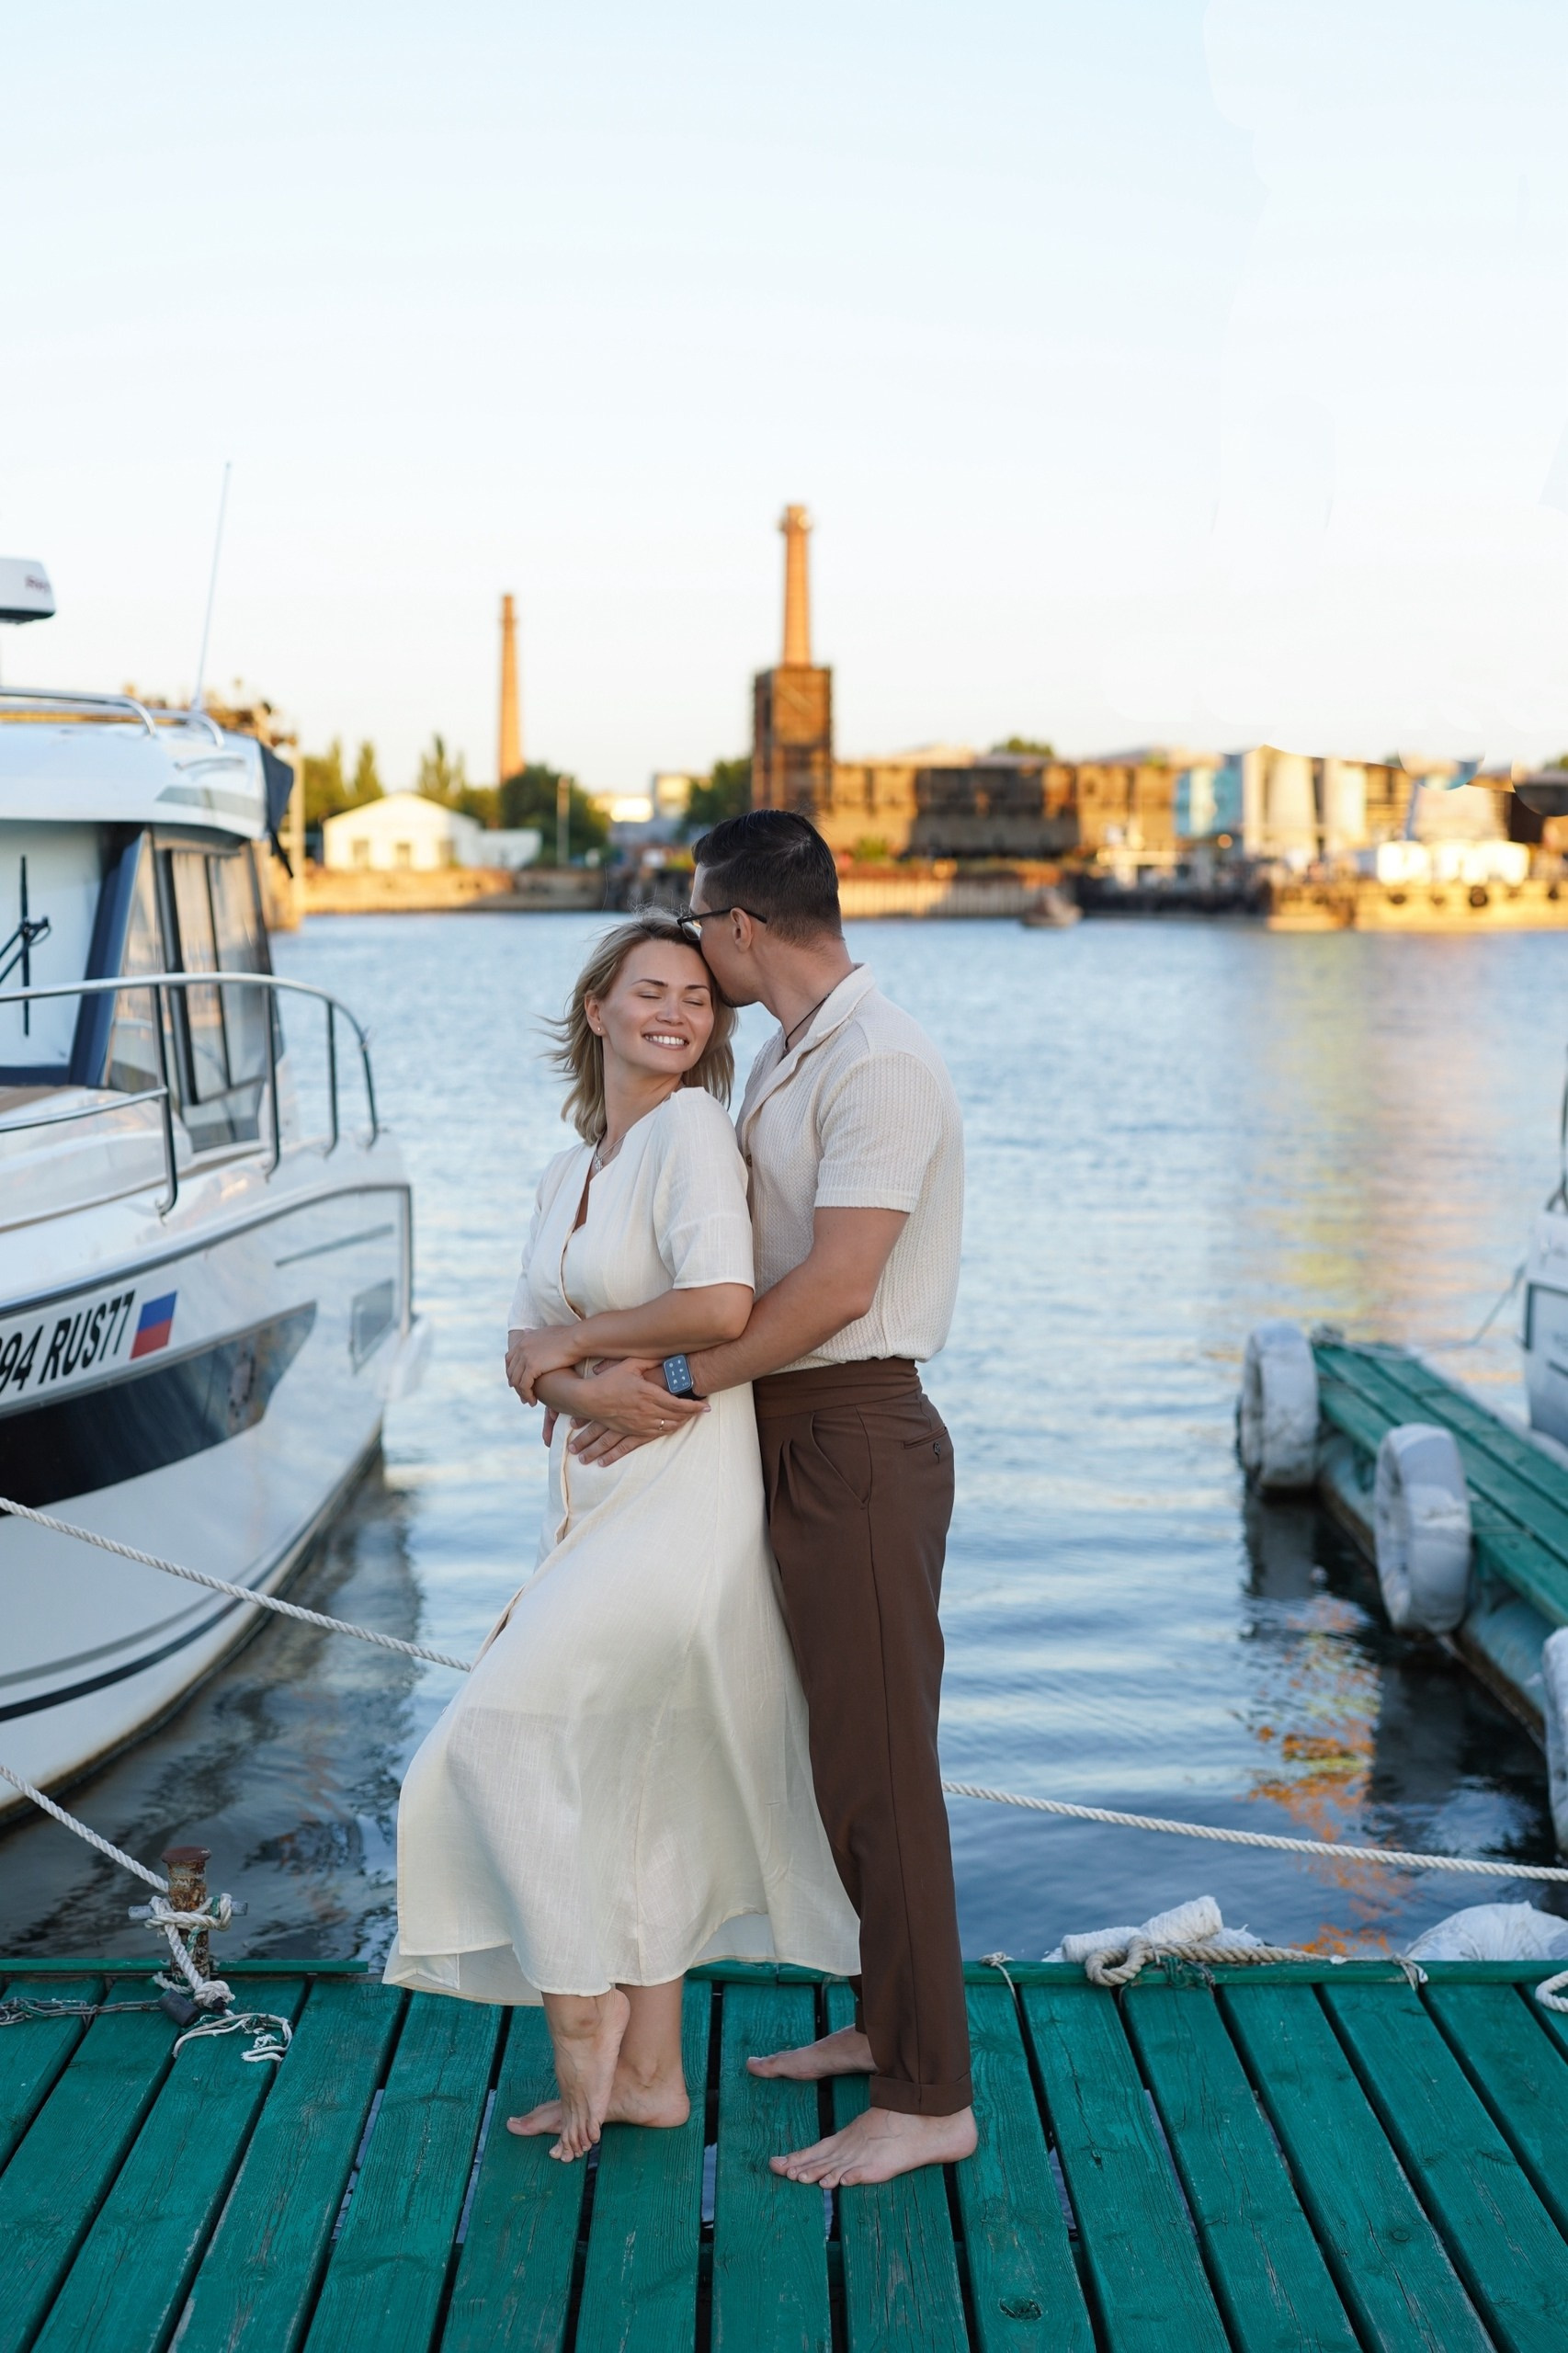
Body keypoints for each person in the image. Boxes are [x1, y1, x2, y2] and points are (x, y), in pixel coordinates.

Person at [385, 915, 859, 2163]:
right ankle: (650, 2079)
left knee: (494, 1733)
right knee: (631, 1782)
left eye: (698, 999)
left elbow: (721, 1303)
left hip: (685, 1493)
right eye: (650, 991)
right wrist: (575, 1380)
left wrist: (580, 1351)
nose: (677, 1014)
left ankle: (579, 2017)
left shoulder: (692, 1132)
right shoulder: (568, 1171)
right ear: (595, 1009)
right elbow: (522, 1351)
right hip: (592, 1500)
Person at [560, 811, 977, 2188]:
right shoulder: (795, 1054)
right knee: (829, 1757)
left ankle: (930, 2098)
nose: (696, 952)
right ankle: (885, 2019)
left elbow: (840, 1285)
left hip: (853, 1435)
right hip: (781, 1427)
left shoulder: (879, 1060)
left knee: (883, 1773)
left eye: (700, 926)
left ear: (739, 926)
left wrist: (672, 1375)